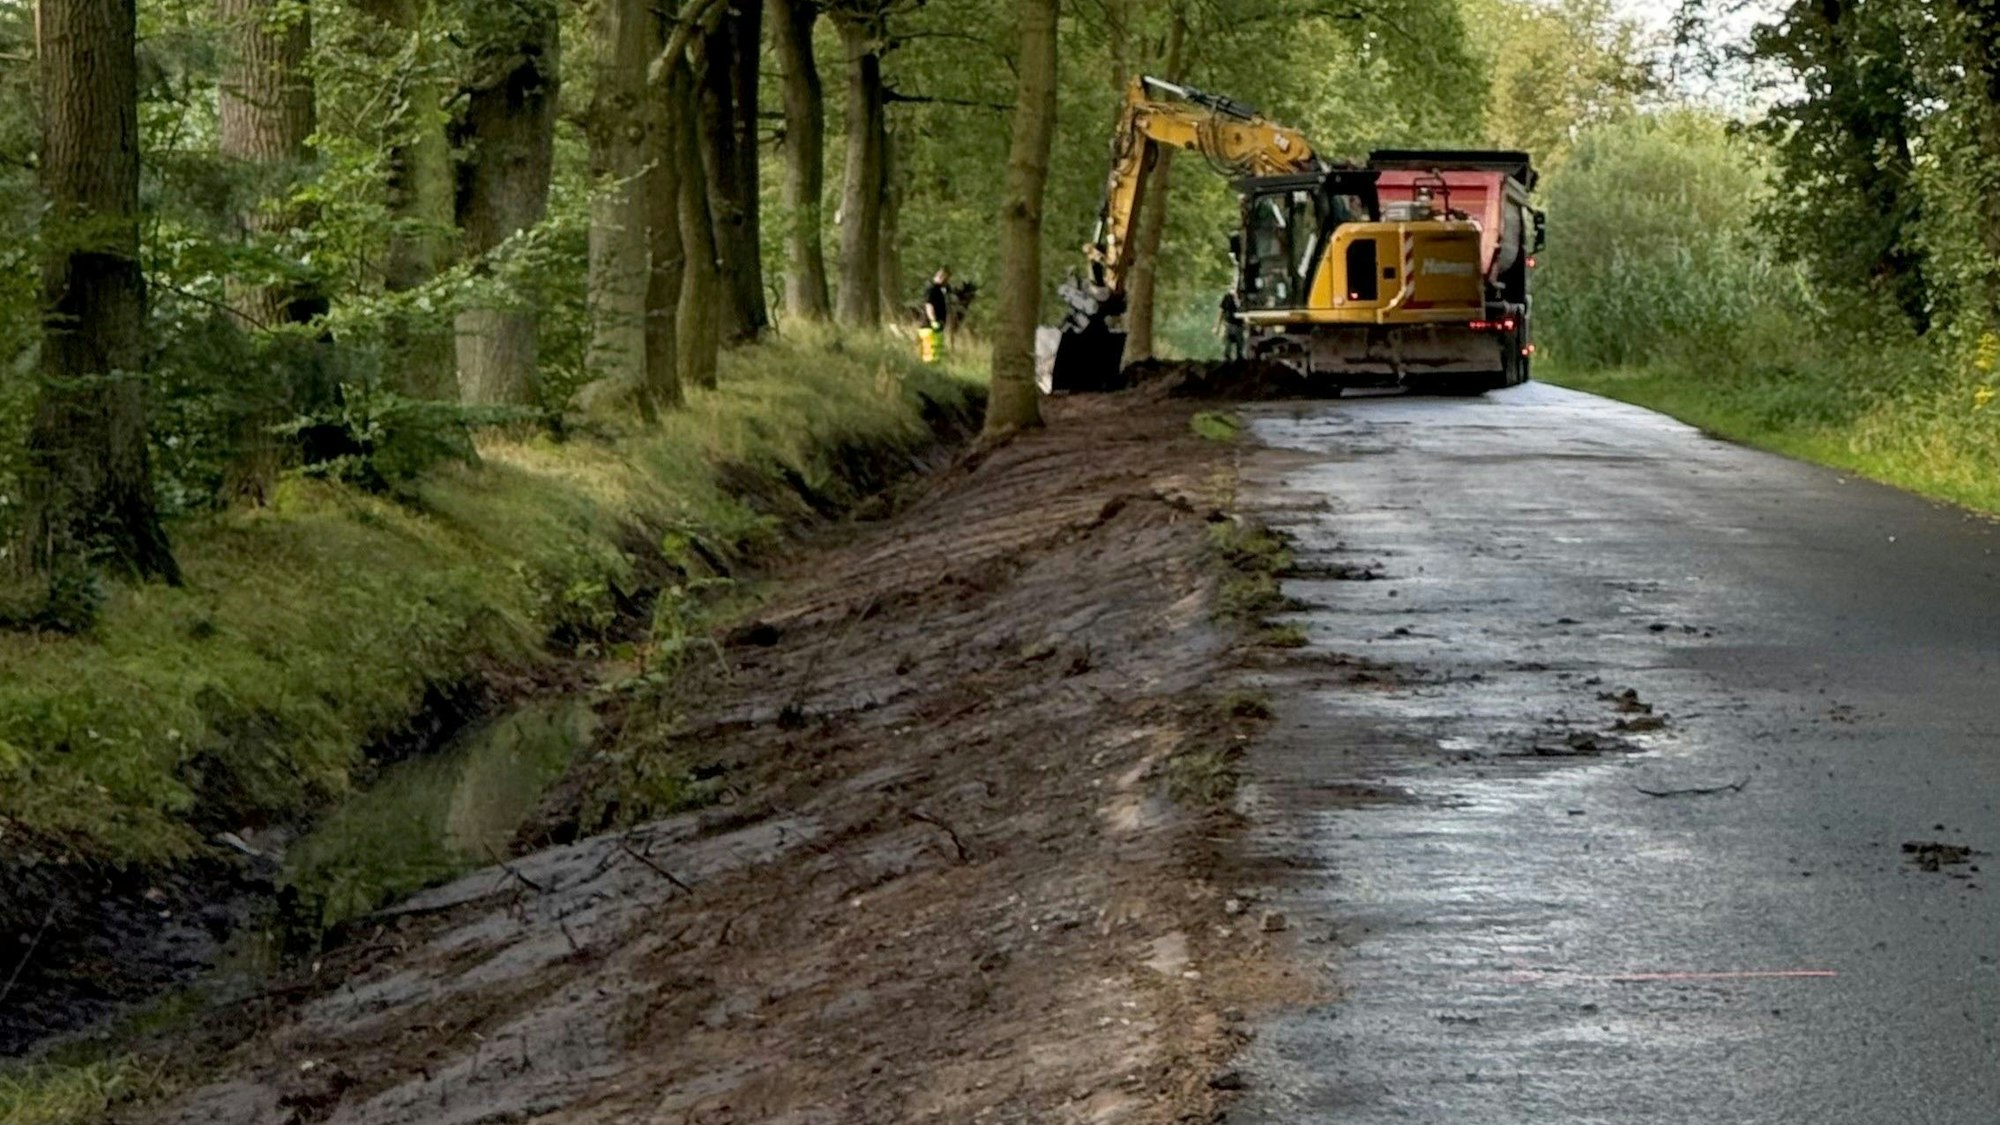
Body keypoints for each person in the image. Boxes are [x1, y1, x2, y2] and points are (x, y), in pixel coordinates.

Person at [919, 268, 951, 364]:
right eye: (946, 279)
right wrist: (933, 321)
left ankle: (935, 369)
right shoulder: (932, 289)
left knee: (936, 354)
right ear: (941, 277)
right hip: (929, 327)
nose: (947, 282)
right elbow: (929, 305)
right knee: (929, 354)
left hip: (937, 327)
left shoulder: (940, 290)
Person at [1216, 286, 1245, 361]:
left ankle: (1239, 361)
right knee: (1227, 346)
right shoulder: (1227, 297)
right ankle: (1227, 361)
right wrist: (1217, 326)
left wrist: (1236, 299)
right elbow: (1221, 311)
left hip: (1239, 326)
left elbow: (1242, 309)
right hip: (1228, 324)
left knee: (1239, 347)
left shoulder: (1242, 297)